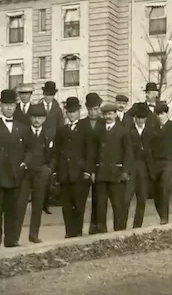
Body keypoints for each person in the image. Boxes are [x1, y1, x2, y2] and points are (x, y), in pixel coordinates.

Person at [0, 89, 30, 250]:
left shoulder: (23, 128)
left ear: (15, 106)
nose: (9, 108)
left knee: (13, 209)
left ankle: (10, 239)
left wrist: (25, 163)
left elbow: (30, 149)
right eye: (6, 105)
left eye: (12, 105)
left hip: (15, 174)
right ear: (1, 106)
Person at [54, 97, 95, 239]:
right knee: (66, 206)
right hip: (65, 174)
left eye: (74, 112)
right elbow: (57, 152)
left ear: (79, 112)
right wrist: (57, 172)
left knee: (79, 205)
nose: (71, 115)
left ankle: (77, 231)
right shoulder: (61, 131)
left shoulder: (85, 129)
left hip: (80, 174)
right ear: (66, 113)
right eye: (69, 112)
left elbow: (90, 152)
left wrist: (88, 171)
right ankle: (68, 231)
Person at [16, 104, 55, 243]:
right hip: (26, 174)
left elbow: (53, 154)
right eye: (34, 117)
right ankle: (15, 237)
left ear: (44, 119)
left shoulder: (49, 134)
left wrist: (49, 169)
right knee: (21, 204)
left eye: (40, 117)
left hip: (41, 173)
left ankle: (34, 234)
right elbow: (19, 152)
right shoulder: (24, 133)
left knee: (38, 205)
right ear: (30, 118)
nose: (37, 120)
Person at [95, 103, 133, 233]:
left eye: (111, 114)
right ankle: (101, 233)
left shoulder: (123, 131)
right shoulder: (98, 131)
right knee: (100, 206)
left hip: (116, 174)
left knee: (118, 206)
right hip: (101, 174)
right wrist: (93, 171)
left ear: (116, 114)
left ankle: (120, 232)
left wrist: (126, 171)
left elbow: (128, 153)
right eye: (106, 114)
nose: (108, 117)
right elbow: (93, 153)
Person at [124, 103, 154, 228]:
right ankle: (122, 226)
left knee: (142, 199)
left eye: (143, 117)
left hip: (144, 169)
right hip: (131, 167)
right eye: (138, 117)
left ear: (146, 118)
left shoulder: (150, 131)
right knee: (126, 199)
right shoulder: (128, 131)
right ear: (134, 117)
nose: (140, 120)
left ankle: (138, 226)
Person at [80, 92, 104, 235]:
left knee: (98, 198)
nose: (93, 112)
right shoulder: (82, 124)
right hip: (84, 166)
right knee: (81, 199)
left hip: (99, 166)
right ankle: (78, 228)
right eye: (90, 109)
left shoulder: (103, 123)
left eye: (96, 109)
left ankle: (96, 226)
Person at [150, 103, 172, 225]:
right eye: (158, 114)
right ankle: (161, 214)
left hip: (169, 162)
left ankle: (164, 217)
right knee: (156, 192)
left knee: (164, 188)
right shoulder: (153, 129)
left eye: (162, 113)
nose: (160, 116)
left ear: (167, 114)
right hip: (156, 163)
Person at [40, 81, 64, 214]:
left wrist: (56, 142)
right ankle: (40, 202)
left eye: (51, 95)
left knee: (50, 174)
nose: (48, 97)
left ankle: (46, 202)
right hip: (40, 144)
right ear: (43, 94)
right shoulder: (37, 107)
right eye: (46, 94)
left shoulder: (57, 109)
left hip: (53, 146)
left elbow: (60, 127)